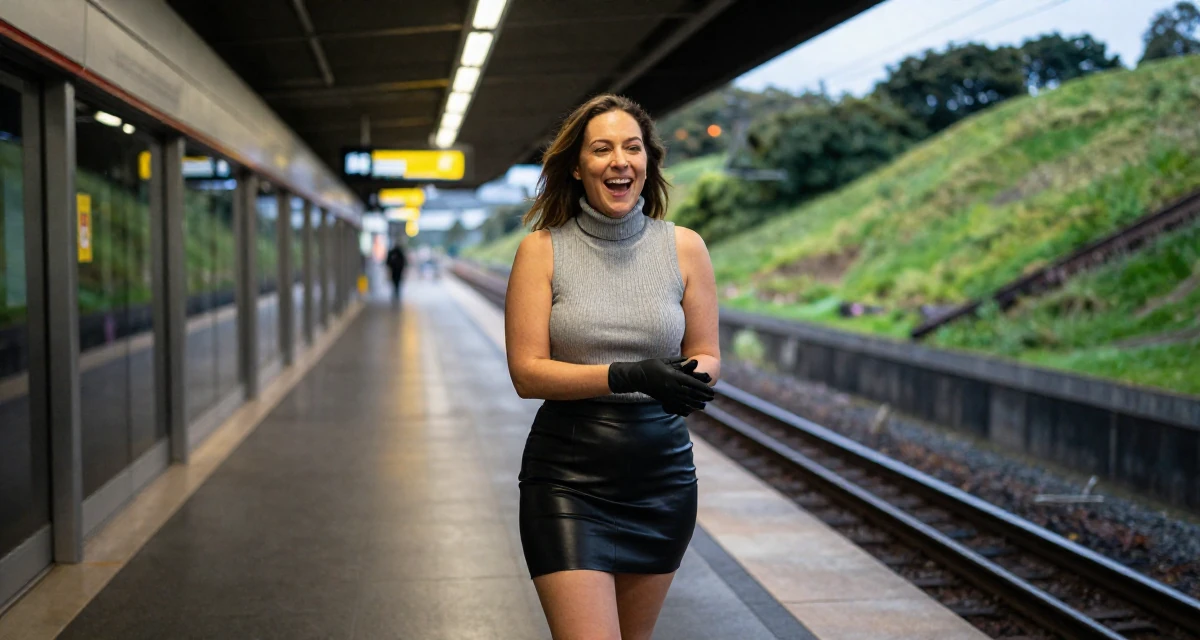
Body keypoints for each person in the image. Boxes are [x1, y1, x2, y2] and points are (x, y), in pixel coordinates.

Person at [504, 93, 720, 640]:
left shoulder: (686, 248)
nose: (620, 161)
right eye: (602, 149)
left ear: (648, 161)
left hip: (662, 477)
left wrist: (690, 378)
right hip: (568, 478)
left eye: (632, 147)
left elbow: (708, 352)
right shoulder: (541, 251)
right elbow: (527, 373)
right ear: (577, 167)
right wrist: (627, 374)